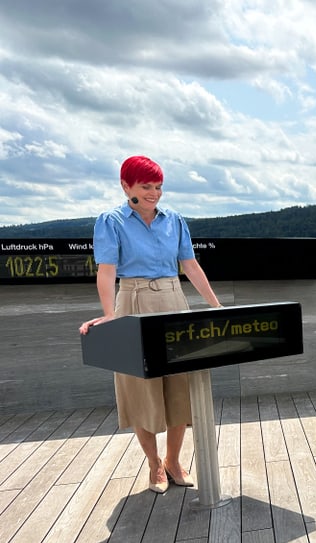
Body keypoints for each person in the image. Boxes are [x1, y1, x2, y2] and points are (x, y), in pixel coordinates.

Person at [79, 156, 222, 494]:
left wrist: (215, 305)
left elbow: (189, 265)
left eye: (158, 187)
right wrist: (110, 315)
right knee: (139, 389)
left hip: (174, 300)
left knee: (179, 387)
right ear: (126, 186)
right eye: (146, 187)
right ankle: (153, 464)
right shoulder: (111, 221)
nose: (154, 193)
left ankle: (173, 461)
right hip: (134, 299)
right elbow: (106, 271)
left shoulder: (175, 220)